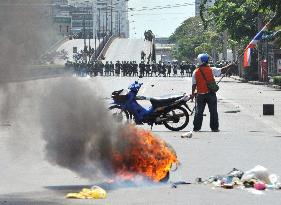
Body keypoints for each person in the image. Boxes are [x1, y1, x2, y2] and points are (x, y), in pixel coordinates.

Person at [190, 53, 233, 132]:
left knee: (199, 112)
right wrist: (229, 65)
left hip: (200, 95)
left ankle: (196, 128)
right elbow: (221, 70)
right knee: (213, 112)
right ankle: (215, 128)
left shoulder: (195, 72)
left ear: (199, 61)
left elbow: (194, 84)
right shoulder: (211, 69)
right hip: (211, 94)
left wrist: (193, 94)